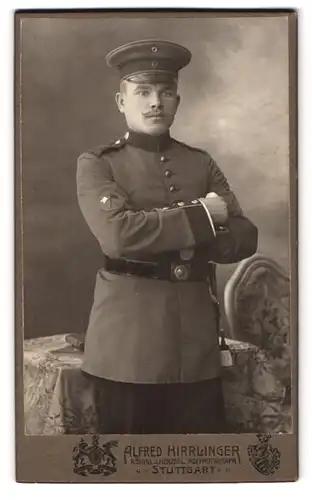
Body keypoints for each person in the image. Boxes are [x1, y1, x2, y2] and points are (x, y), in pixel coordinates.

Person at [76, 39, 258, 434]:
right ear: (121, 101)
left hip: (196, 347)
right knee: (124, 475)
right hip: (127, 347)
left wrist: (178, 231)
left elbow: (245, 235)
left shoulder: (200, 162)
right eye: (142, 92)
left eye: (165, 92)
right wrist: (203, 217)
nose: (155, 102)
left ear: (177, 100)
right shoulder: (97, 164)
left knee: (200, 471)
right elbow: (118, 237)